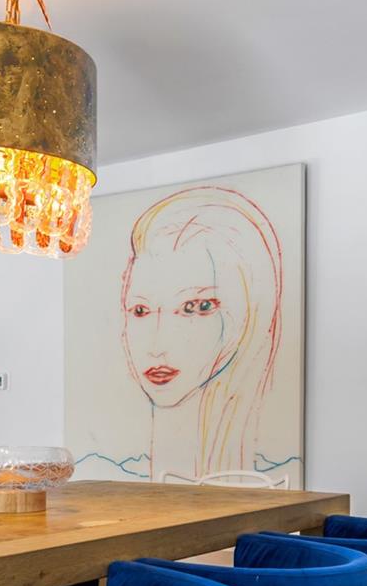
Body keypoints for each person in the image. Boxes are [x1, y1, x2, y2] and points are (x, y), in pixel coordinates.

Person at [115, 186, 293, 486]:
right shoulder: (114, 473)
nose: (157, 347)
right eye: (141, 310)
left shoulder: (270, 479)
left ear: (244, 315)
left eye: (195, 307)